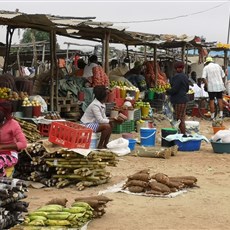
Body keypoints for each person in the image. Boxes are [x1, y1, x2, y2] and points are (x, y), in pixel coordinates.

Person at [0, 101, 27, 177]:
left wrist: (2, 147)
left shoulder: (13, 124)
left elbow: (23, 143)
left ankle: (4, 182)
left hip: (9, 155)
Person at [166, 61, 189, 135]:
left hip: (179, 100)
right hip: (184, 99)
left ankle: (182, 134)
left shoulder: (177, 77)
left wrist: (167, 91)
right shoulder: (185, 76)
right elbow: (187, 89)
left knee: (179, 119)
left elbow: (174, 89)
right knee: (181, 118)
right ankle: (182, 133)